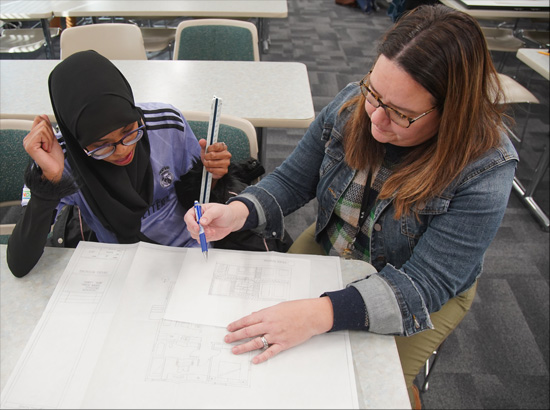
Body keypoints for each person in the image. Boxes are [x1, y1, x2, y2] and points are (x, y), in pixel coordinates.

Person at [183, 4, 518, 408]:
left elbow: (425, 284)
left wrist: (318, 313)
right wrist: (238, 212)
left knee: (365, 388)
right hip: (336, 243)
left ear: (453, 112)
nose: (376, 118)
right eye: (374, 93)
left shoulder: (485, 166)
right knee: (267, 351)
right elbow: (292, 180)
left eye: (401, 113)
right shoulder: (352, 106)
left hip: (412, 281)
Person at [7, 50, 231, 278]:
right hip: (122, 269)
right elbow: (19, 263)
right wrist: (49, 183)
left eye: (129, 131)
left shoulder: (167, 123)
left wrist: (210, 175)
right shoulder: (60, 158)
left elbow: (196, 201)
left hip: (190, 255)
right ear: (78, 143)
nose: (123, 149)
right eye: (101, 145)